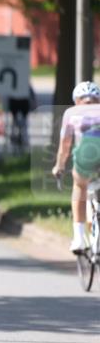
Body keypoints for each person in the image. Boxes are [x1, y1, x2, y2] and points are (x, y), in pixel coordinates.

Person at [52, 81, 100, 252]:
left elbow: (65, 145)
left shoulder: (71, 113)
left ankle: (79, 238)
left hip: (86, 154)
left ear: (76, 100)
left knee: (79, 186)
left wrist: (59, 166)